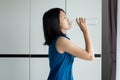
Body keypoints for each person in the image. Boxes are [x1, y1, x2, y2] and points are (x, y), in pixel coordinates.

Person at [42, 8, 95, 80]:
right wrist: (85, 31)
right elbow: (90, 56)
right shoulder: (61, 41)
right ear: (56, 22)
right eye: (64, 17)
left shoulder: (58, 40)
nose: (67, 19)